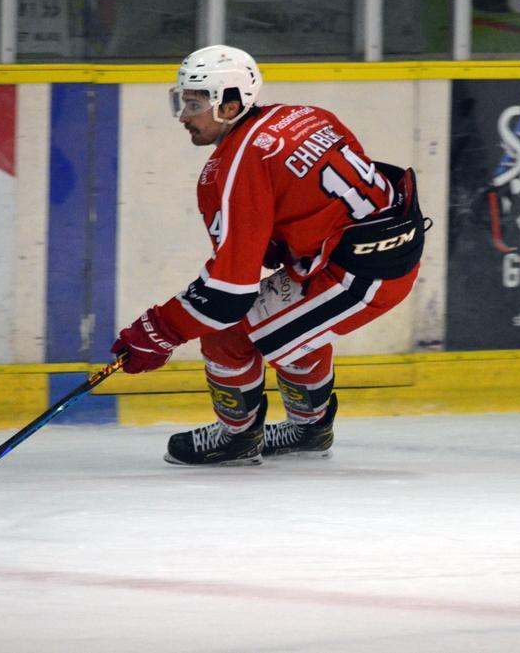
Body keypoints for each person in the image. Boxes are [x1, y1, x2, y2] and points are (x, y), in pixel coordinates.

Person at [111, 44, 426, 466]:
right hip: (384, 246)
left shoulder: (234, 167)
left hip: (361, 271)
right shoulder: (308, 115)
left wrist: (159, 330)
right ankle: (309, 429)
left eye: (195, 104)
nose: (184, 116)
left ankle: (237, 438)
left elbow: (227, 294)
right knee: (289, 325)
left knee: (227, 331)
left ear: (230, 105)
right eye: (181, 101)